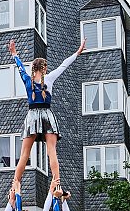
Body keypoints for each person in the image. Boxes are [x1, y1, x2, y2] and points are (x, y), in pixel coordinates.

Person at [9, 38, 86, 184]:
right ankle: (56, 184)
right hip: (46, 116)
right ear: (44, 69)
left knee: (24, 154)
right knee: (52, 152)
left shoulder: (27, 80)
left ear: (33, 68)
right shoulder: (49, 79)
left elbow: (19, 66)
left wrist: (14, 53)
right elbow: (64, 65)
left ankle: (15, 185)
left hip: (32, 116)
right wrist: (78, 52)